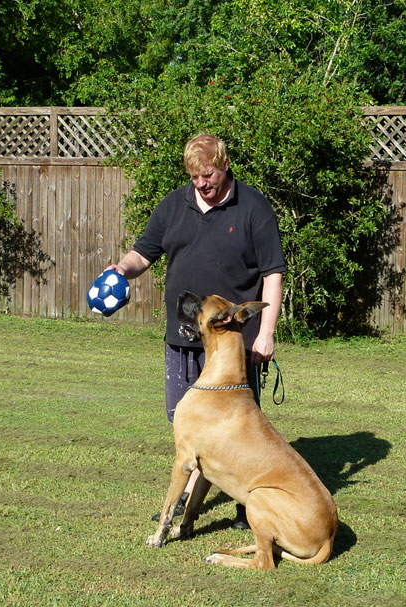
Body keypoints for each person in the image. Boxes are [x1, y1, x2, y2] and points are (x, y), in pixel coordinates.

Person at [108, 133, 285, 530]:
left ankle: (245, 505)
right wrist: (121, 269)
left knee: (239, 427)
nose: (201, 183)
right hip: (181, 336)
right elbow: (143, 253)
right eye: (194, 177)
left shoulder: (253, 207)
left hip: (228, 342)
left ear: (223, 165)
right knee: (181, 418)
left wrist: (266, 333)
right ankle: (184, 495)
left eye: (207, 175)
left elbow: (273, 272)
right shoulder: (174, 205)